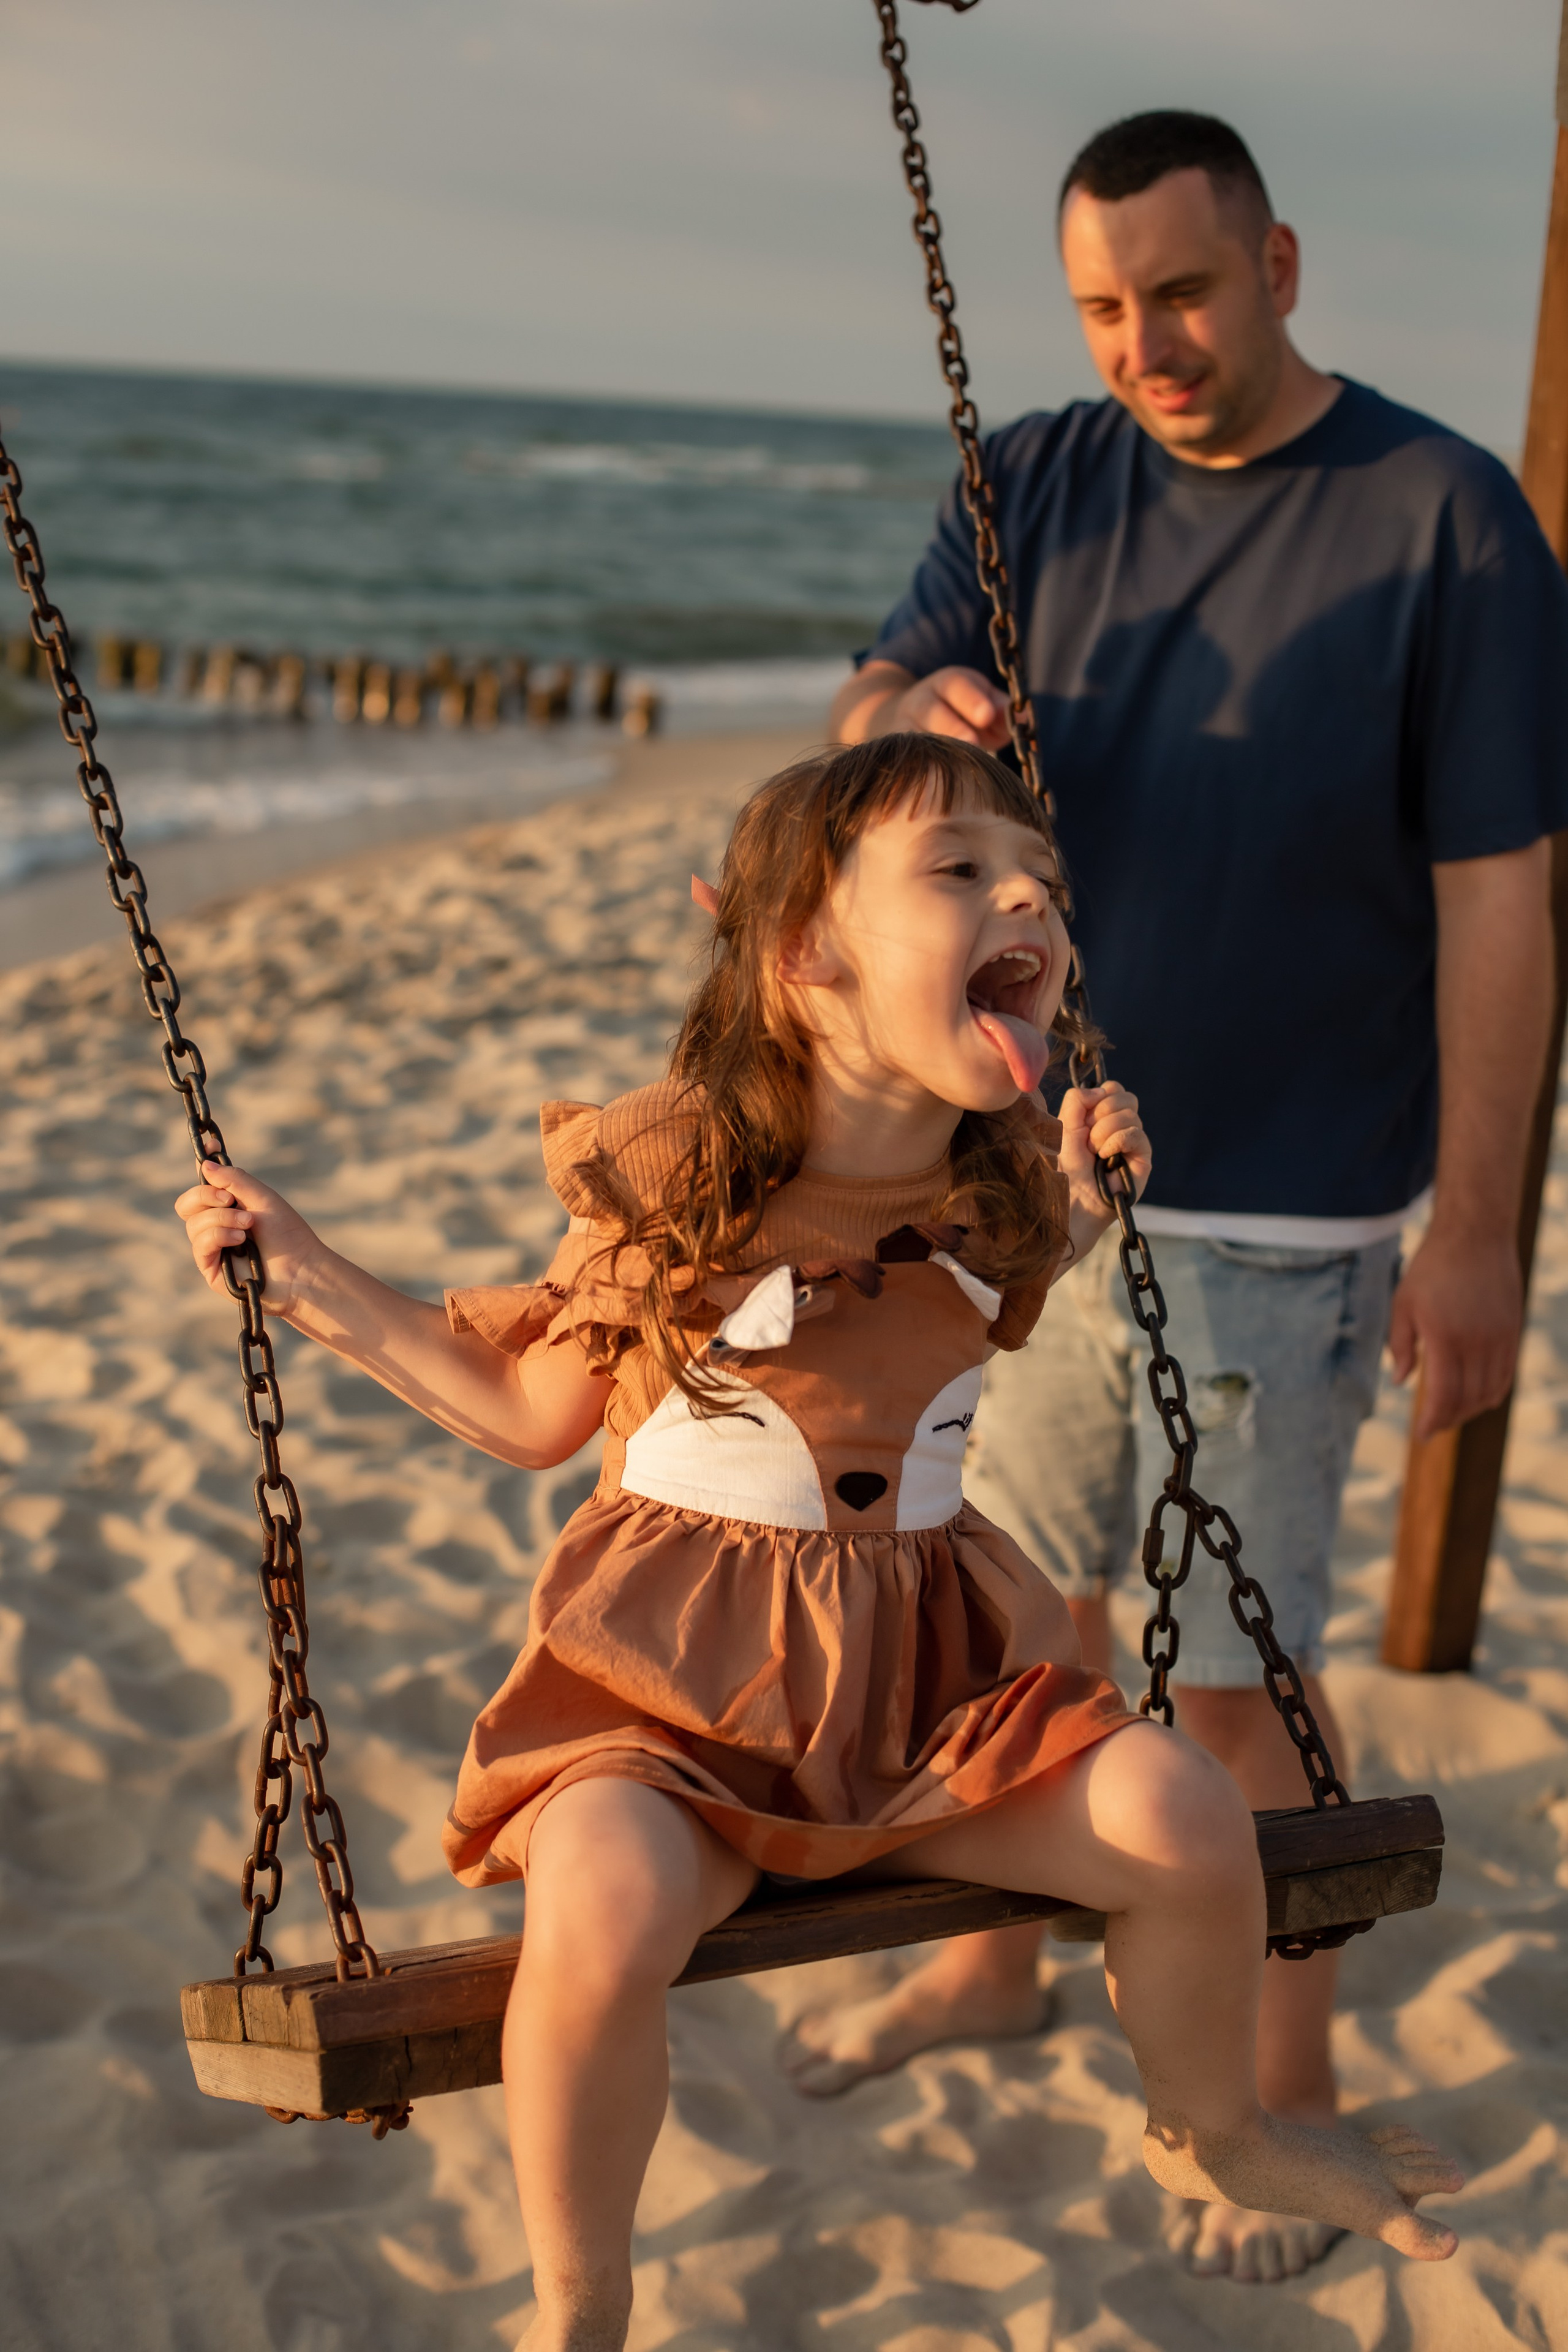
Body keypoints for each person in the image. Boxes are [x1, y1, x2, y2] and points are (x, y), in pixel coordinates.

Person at [177, 736, 1462, 2349]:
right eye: (961, 873)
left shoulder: (996, 1190)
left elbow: (1026, 1276)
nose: (1028, 903)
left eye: (1044, 888)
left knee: (1186, 1820)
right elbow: (524, 1413)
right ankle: (581, 2298)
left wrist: (1087, 1188)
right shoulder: (684, 1177)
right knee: (606, 1907)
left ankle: (1231, 2133)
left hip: (933, 1703)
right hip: (680, 1711)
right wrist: (305, 1272)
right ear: (804, 959)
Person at [802, 108, 1568, 2283]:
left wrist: (1486, 1223)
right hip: (1034, 1188)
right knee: (1022, 1631)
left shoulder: (1446, 520)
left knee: (1236, 1668)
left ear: (1285, 261)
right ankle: (997, 1961)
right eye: (1109, 305)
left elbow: (1505, 895)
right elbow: (870, 706)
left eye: (1190, 291)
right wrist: (905, 705)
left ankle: (1294, 2071)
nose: (1151, 340)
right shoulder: (1029, 476)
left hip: (1300, 1206)